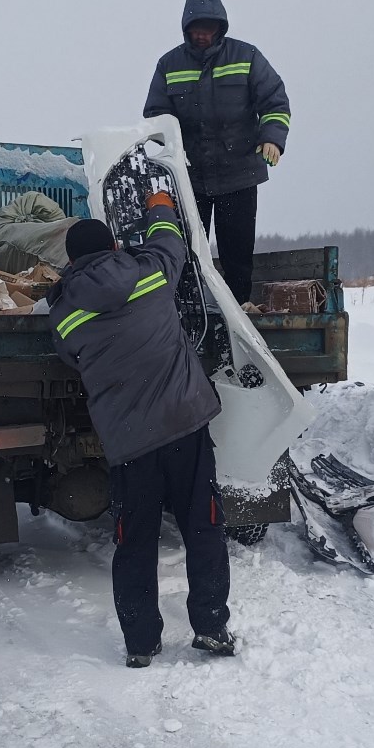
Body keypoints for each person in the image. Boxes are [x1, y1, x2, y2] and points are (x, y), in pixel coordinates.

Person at [46, 191, 235, 668]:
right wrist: (159, 206)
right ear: (113, 244)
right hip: (185, 424)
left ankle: (140, 642)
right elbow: (172, 243)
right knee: (203, 527)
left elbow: (71, 358)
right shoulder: (149, 274)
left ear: (70, 261)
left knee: (135, 540)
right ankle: (211, 628)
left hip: (129, 441)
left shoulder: (64, 315)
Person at [144, 0, 291, 305]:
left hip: (238, 174)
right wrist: (169, 148)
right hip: (189, 178)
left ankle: (239, 308)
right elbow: (155, 115)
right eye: (196, 28)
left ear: (220, 27)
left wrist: (273, 139)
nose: (202, 34)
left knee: (236, 252)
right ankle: (188, 311)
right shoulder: (168, 65)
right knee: (187, 251)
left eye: (208, 28)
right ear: (187, 28)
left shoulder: (247, 57)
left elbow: (274, 102)